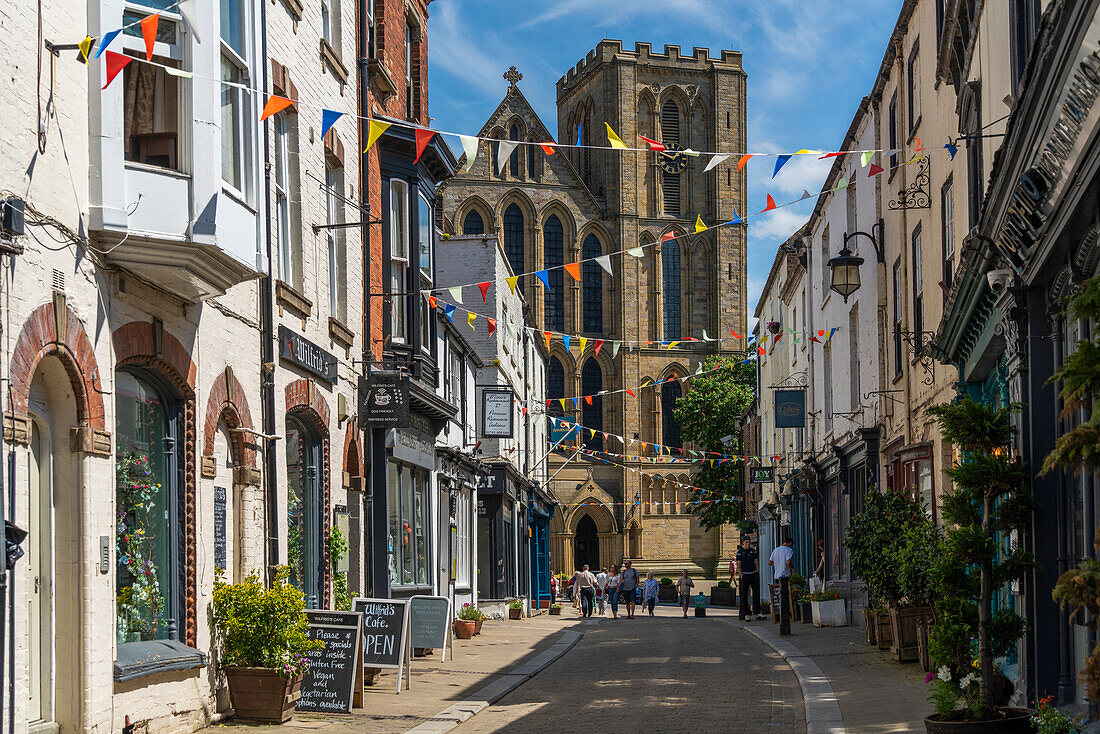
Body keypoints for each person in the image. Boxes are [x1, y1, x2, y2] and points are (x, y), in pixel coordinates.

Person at [770, 536, 796, 635]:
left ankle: (782, 619)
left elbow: (770, 562)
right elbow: (788, 562)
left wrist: (777, 565)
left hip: (777, 576)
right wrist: (791, 568)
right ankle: (785, 623)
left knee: (781, 597)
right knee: (786, 596)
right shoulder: (788, 550)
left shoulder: (775, 550)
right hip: (785, 575)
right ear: (789, 543)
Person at [735, 536, 763, 621]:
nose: (748, 544)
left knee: (756, 594)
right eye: (746, 542)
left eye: (749, 542)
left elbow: (756, 562)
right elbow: (738, 565)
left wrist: (757, 571)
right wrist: (741, 574)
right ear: (743, 542)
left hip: (753, 574)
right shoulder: (740, 552)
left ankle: (757, 612)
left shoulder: (753, 551)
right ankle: (746, 614)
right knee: (744, 595)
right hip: (745, 575)